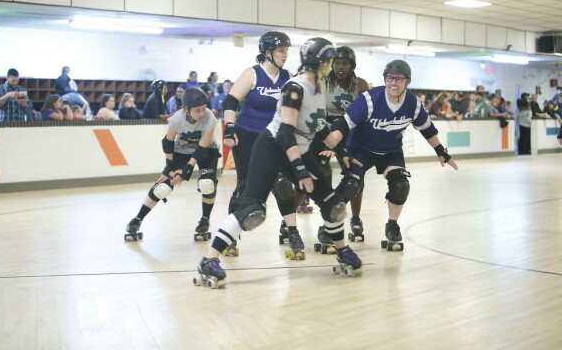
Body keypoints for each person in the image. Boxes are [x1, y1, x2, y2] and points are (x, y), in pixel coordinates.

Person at [196, 38, 364, 289]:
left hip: (299, 147)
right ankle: (209, 260)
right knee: (253, 210)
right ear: (323, 62)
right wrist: (300, 170)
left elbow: (318, 125)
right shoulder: (295, 88)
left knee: (333, 203)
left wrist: (342, 152)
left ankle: (342, 250)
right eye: (330, 61)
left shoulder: (319, 86)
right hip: (273, 147)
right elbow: (285, 132)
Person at [329, 59, 458, 252]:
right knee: (351, 184)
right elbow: (342, 124)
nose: (393, 83)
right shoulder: (371, 99)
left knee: (401, 184)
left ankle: (392, 225)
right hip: (360, 149)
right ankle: (329, 226)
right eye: (389, 79)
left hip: (390, 151)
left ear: (408, 82)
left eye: (398, 79)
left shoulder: (413, 103)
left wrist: (441, 152)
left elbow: (427, 128)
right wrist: (331, 145)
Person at [221, 31, 300, 254]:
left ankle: (292, 232)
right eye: (281, 51)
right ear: (267, 53)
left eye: (286, 51)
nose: (285, 55)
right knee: (245, 186)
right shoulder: (252, 74)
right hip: (247, 135)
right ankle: (230, 236)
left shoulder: (288, 76)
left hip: (274, 136)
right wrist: (229, 126)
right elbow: (230, 100)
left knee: (282, 184)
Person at [124, 87, 221, 243]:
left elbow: (202, 149)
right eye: (197, 111)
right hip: (182, 151)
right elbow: (168, 142)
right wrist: (168, 168)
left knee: (207, 183)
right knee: (163, 187)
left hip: (207, 151)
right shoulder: (177, 118)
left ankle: (204, 219)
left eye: (203, 109)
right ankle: (137, 219)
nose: (201, 114)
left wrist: (186, 170)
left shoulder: (209, 117)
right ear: (186, 109)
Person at [310, 46, 369, 247]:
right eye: (337, 63)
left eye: (344, 63)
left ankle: (355, 217)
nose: (340, 67)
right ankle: (291, 221)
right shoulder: (323, 81)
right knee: (317, 171)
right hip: (324, 131)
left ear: (352, 66)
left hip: (349, 132)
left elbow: (366, 114)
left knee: (355, 175)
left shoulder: (359, 85)